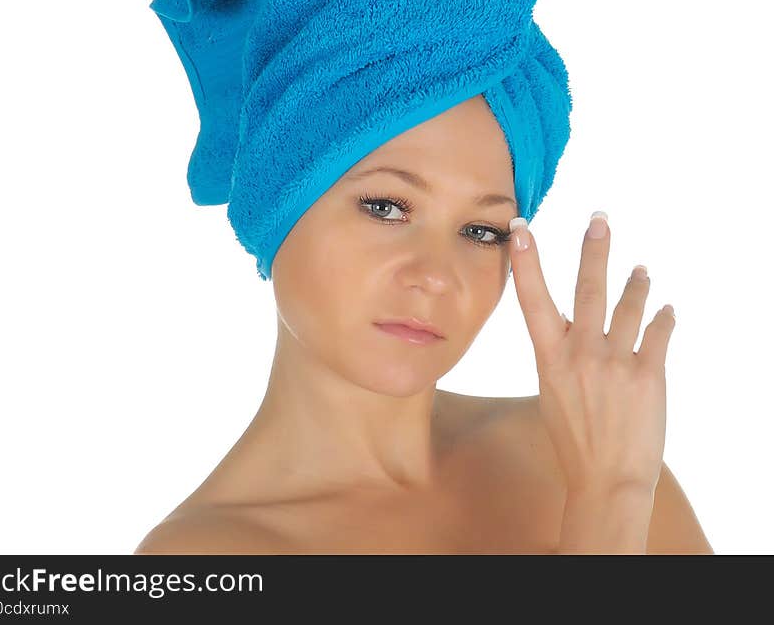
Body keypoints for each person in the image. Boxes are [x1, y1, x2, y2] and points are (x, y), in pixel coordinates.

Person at [133, 93, 713, 554]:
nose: (437, 276)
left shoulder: (587, 451)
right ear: (279, 200)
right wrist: (606, 510)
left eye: (481, 232)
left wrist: (616, 485)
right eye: (386, 207)